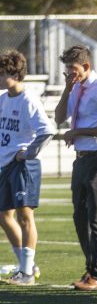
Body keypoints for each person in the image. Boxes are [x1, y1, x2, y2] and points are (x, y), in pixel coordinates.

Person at [54, 45, 97, 291]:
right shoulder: (75, 88)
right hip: (81, 158)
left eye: (73, 70)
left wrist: (78, 131)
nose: (70, 74)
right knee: (79, 216)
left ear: (86, 67)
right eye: (67, 71)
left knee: (95, 217)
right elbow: (60, 118)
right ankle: (90, 268)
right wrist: (67, 88)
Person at [0, 50, 55, 285]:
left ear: (15, 73)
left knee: (25, 215)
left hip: (22, 165)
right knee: (4, 215)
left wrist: (29, 152)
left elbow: (47, 130)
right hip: (5, 164)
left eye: (2, 73)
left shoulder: (28, 99)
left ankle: (27, 273)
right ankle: (26, 266)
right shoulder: (3, 99)